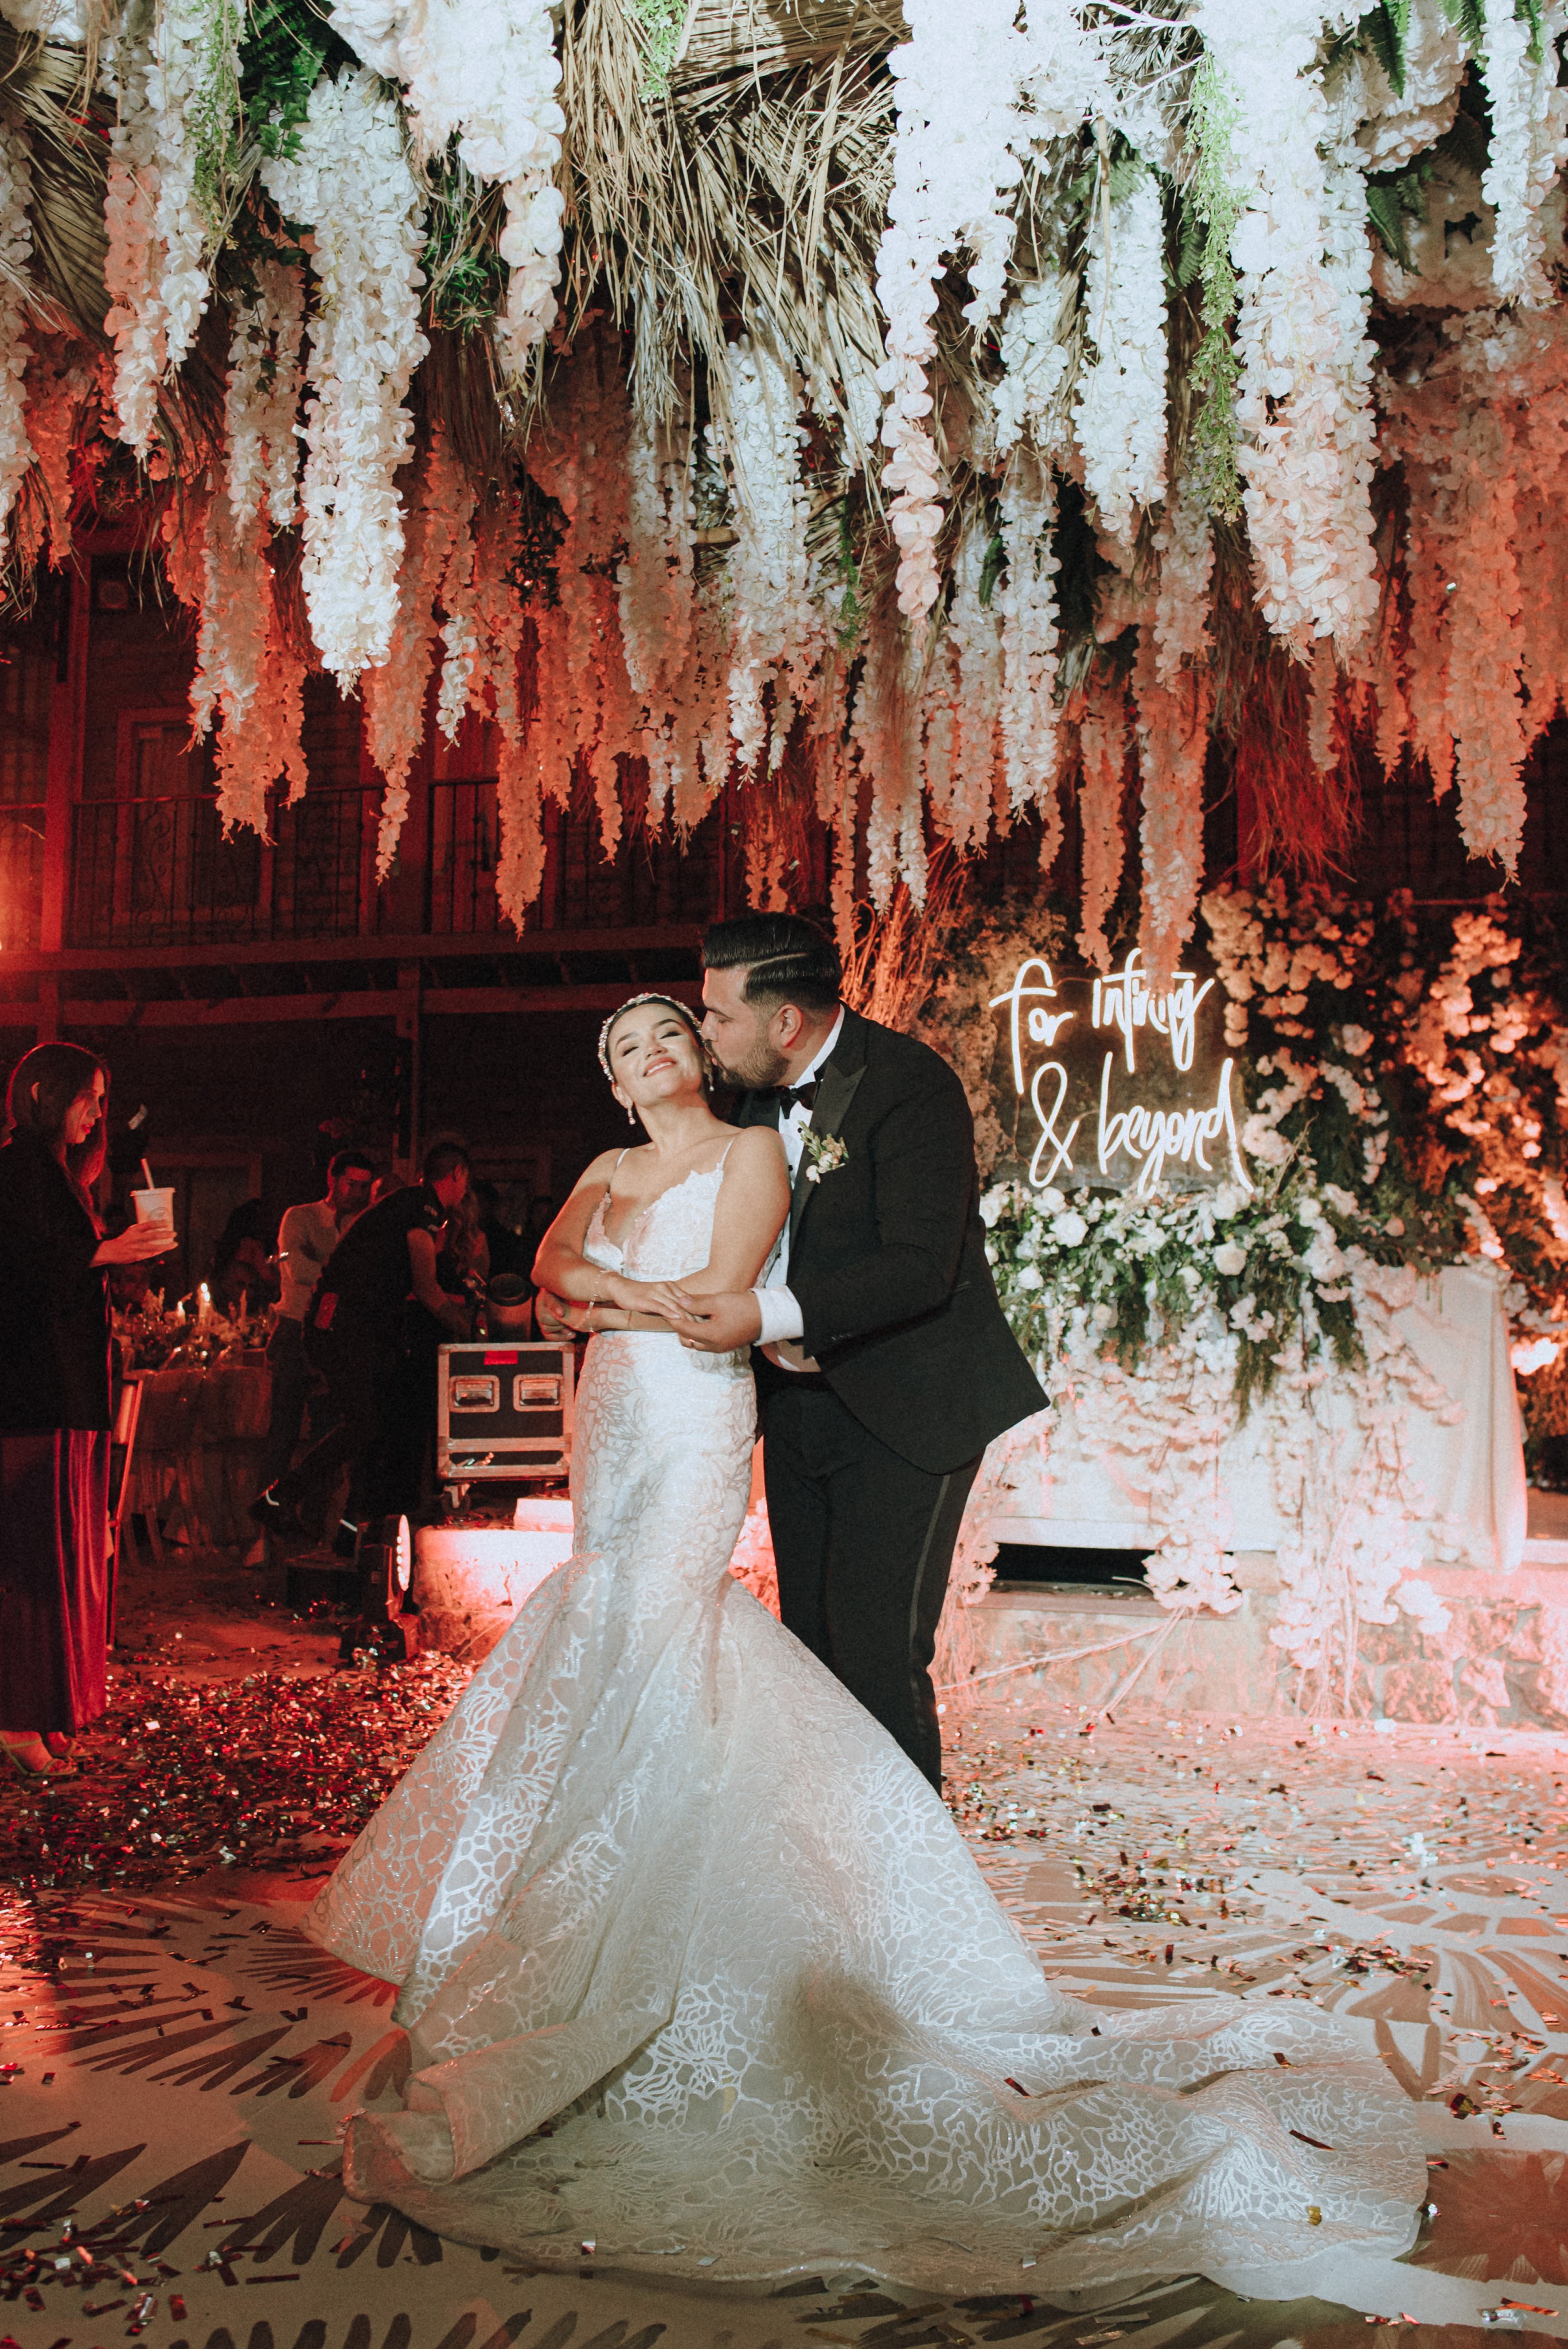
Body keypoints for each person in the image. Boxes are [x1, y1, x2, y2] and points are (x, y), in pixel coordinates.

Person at [298, 990, 1421, 2300]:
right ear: (612, 1084)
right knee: (601, 1622)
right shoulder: (604, 1163)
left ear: (700, 1054)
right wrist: (594, 1299)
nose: (652, 1057)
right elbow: (549, 1267)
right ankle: (563, 1917)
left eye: (669, 1037)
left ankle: (710, 1930)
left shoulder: (749, 1150)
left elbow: (720, 1294)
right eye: (627, 1051)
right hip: (613, 1413)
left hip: (695, 1410)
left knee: (675, 1626)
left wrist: (606, 1297)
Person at [676, 910, 1048, 1788]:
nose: (705, 1033)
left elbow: (919, 1268)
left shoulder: (910, 1085)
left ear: (785, 1021)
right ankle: (829, 1853)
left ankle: (910, 1870)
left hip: (907, 1404)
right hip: (797, 1407)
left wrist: (761, 1315)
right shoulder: (747, 1097)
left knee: (876, 1655)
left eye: (719, 1015)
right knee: (809, 1651)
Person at [0, 1044, 173, 1778]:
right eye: (89, 1098)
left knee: (62, 1560)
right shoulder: (18, 1168)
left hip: (63, 1392)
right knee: (32, 1564)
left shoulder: (56, 1175)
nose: (98, 1114)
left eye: (103, 1101)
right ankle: (16, 1719)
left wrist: (114, 1256)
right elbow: (19, 1268)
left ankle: (45, 1708)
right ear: (47, 1093)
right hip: (29, 1395)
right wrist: (105, 1252)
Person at [253, 1141, 471, 1555]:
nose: (465, 1192)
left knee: (374, 1428)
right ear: (457, 1174)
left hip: (355, 1326)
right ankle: (279, 1500)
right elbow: (427, 1287)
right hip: (339, 1324)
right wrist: (466, 1328)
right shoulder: (421, 1208)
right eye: (466, 1181)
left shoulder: (410, 1205)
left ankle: (348, 1534)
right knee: (363, 1425)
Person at [251, 1149, 375, 1527]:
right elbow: (296, 1269)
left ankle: (313, 1521)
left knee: (329, 1430)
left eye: (364, 1187)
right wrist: (342, 1273)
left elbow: (362, 1275)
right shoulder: (299, 1217)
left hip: (336, 1333)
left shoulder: (364, 1224)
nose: (357, 1193)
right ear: (332, 1180)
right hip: (294, 1326)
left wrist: (330, 1269)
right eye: (351, 1184)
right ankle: (270, 1517)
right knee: (284, 1430)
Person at [208, 1197, 282, 1321]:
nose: (270, 1223)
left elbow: (277, 1262)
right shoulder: (248, 1246)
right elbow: (268, 1274)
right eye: (264, 1218)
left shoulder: (267, 1248)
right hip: (240, 1306)